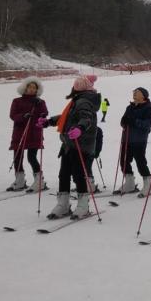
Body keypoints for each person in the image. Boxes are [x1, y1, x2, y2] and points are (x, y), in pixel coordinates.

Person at [39, 75, 100, 220]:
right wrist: (49, 121)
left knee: (78, 174)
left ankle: (83, 205)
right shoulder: (77, 101)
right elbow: (66, 117)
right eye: (75, 85)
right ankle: (63, 204)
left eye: (78, 85)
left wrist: (80, 128)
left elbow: (87, 118)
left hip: (81, 144)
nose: (75, 87)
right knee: (64, 173)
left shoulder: (84, 101)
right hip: (69, 144)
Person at [8, 77, 49, 191]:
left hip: (34, 133)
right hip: (20, 132)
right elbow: (13, 115)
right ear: (24, 88)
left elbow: (44, 114)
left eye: (34, 88)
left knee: (31, 157)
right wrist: (23, 116)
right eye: (29, 87)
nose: (32, 90)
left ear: (37, 90)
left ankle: (39, 180)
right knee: (18, 157)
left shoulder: (40, 102)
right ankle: (20, 180)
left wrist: (40, 109)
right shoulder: (17, 101)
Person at [118, 87, 151, 196]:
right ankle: (129, 183)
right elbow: (123, 121)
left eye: (137, 92)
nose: (134, 94)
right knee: (123, 161)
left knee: (140, 162)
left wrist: (134, 121)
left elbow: (147, 125)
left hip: (139, 140)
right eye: (133, 92)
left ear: (144, 95)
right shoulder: (129, 107)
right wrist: (124, 122)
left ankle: (148, 184)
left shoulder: (148, 109)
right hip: (127, 139)